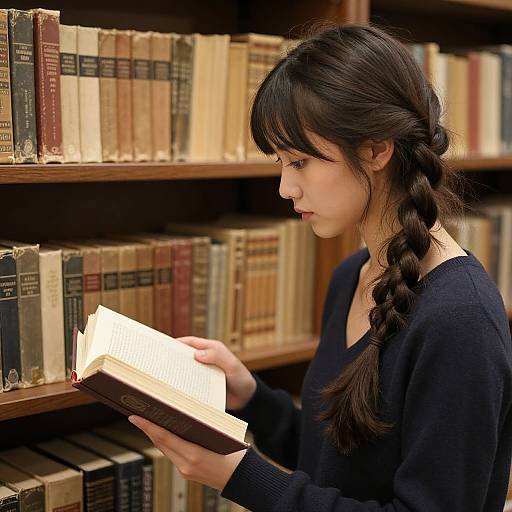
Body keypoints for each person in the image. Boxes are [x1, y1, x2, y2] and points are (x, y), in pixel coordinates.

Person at [128, 23, 512, 511]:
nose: (286, 189)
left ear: (376, 149)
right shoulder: (353, 275)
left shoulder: (459, 319)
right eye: (280, 163)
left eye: (301, 162)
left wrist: (240, 476)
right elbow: (334, 462)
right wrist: (252, 398)